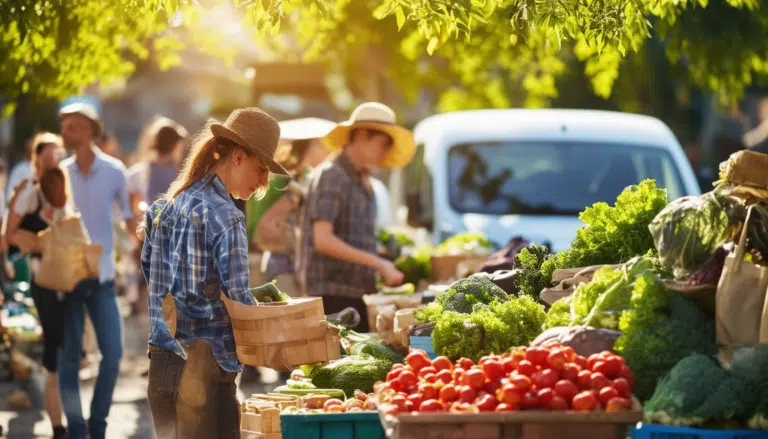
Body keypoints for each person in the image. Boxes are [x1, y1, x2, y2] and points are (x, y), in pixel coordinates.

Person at [139, 107, 287, 439]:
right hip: (204, 375)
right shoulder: (226, 216)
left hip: (162, 368)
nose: (263, 182)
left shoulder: (168, 205)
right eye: (261, 169)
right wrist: (283, 329)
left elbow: (160, 284)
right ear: (237, 156)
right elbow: (240, 303)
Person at [296, 102, 416, 332]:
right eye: (383, 143)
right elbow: (323, 239)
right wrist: (379, 263)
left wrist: (384, 255)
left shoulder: (363, 181)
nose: (386, 152)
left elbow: (353, 237)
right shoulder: (333, 175)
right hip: (332, 295)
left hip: (356, 293)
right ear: (361, 135)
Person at [57, 102, 136, 439]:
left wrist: (146, 238)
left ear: (89, 130)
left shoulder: (116, 171)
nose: (65, 132)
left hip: (102, 277)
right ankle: (76, 430)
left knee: (113, 355)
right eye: (64, 127)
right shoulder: (59, 172)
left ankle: (97, 425)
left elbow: (131, 221)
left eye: (72, 126)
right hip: (67, 279)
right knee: (70, 360)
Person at [1, 132, 70, 439]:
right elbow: (9, 236)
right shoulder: (30, 190)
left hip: (66, 279)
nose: (53, 160)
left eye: (57, 155)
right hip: (39, 278)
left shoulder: (65, 188)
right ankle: (56, 422)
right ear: (37, 160)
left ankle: (59, 420)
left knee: (57, 345)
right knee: (48, 344)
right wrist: (37, 246)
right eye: (47, 156)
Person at [249, 118, 334, 296]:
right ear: (313, 145)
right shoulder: (290, 180)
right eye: (325, 145)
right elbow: (267, 224)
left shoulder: (285, 175)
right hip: (283, 266)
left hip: (283, 265)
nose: (329, 152)